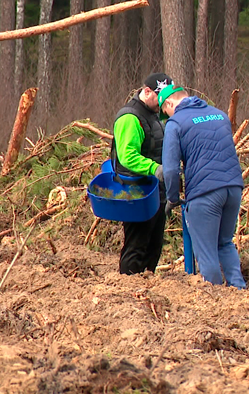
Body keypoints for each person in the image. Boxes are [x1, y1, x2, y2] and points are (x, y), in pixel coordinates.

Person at [159, 85, 247, 289]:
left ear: (170, 103)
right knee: (224, 242)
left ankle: (214, 298)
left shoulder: (175, 123)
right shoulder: (218, 115)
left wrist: (173, 198)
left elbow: (171, 170)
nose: (167, 115)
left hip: (204, 193)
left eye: (166, 111)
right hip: (233, 188)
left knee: (206, 250)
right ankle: (239, 290)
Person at [110, 72, 173, 275]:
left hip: (156, 189)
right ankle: (127, 286)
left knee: (154, 245)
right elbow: (127, 156)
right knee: (137, 244)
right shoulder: (130, 117)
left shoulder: (154, 115)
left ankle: (147, 284)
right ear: (147, 92)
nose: (164, 103)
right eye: (161, 97)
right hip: (136, 190)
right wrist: (155, 169)